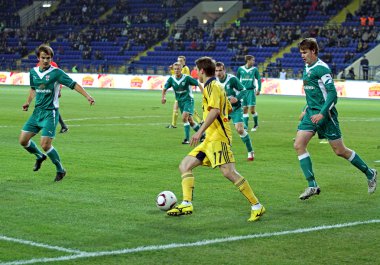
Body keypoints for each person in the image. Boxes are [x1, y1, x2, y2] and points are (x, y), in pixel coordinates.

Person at [167, 56, 265, 222]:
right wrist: (197, 126)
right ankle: (186, 203)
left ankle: (257, 205)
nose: (196, 73)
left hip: (219, 138)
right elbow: (221, 109)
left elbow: (215, 112)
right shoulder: (214, 86)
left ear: (202, 71)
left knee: (229, 172)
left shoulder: (212, 86)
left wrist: (199, 132)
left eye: (197, 70)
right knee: (185, 165)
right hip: (209, 140)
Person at [294, 38, 377, 200]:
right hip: (311, 113)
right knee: (298, 145)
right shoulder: (306, 67)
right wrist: (305, 109)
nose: (302, 56)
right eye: (301, 53)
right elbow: (314, 93)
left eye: (305, 52)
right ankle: (312, 185)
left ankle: (370, 172)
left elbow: (332, 94)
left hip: (326, 115)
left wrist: (322, 113)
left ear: (313, 51)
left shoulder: (322, 69)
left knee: (340, 151)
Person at [19, 44, 95, 182]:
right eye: (43, 58)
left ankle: (61, 169)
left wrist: (87, 96)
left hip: (50, 113)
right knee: (23, 140)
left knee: (45, 144)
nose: (46, 60)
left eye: (48, 58)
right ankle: (39, 156)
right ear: (38, 58)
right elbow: (33, 89)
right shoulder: (33, 72)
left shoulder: (57, 73)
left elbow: (73, 84)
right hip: (37, 113)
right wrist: (27, 102)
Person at [215, 61, 255, 161]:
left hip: (235, 108)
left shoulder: (232, 79)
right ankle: (222, 152)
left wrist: (237, 98)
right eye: (216, 71)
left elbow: (244, 90)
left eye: (220, 70)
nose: (218, 73)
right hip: (223, 110)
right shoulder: (214, 82)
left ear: (224, 70)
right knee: (218, 130)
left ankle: (250, 151)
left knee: (240, 130)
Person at [162, 62, 203, 144]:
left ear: (181, 69)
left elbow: (198, 84)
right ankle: (203, 135)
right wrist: (163, 97)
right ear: (173, 70)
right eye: (175, 69)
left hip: (188, 100)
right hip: (180, 102)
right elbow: (164, 88)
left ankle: (186, 139)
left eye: (178, 69)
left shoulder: (187, 78)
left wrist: (204, 95)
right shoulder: (171, 79)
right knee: (190, 121)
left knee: (184, 118)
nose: (177, 70)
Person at [36, 60, 69, 133]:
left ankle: (61, 125)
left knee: (51, 106)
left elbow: (58, 77)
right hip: (43, 90)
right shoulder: (38, 64)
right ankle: (63, 126)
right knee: (48, 106)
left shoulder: (53, 64)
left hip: (52, 90)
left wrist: (59, 90)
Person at [236, 55, 262, 132]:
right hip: (243, 91)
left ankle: (256, 124)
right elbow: (236, 79)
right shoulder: (240, 69)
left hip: (251, 91)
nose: (254, 62)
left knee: (252, 110)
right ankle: (246, 126)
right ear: (248, 60)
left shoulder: (254, 69)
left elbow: (259, 79)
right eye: (252, 60)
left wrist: (259, 89)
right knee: (244, 109)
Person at [166, 55, 191, 129]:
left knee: (186, 108)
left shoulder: (185, 68)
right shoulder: (179, 69)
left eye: (181, 61)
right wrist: (172, 70)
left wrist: (172, 70)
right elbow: (175, 77)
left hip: (184, 92)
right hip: (179, 92)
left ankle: (173, 124)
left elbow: (180, 77)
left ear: (184, 62)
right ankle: (173, 124)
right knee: (177, 108)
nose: (179, 62)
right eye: (178, 61)